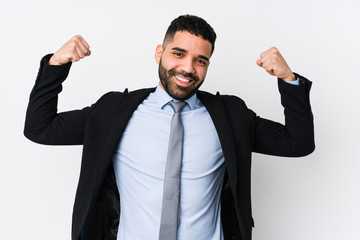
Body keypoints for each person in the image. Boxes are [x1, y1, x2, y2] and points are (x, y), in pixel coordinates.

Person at [24, 15, 315, 240]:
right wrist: (56, 64)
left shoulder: (231, 116)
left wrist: (288, 80)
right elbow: (40, 128)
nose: (188, 68)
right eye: (178, 53)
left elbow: (298, 143)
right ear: (159, 53)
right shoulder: (114, 112)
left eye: (200, 60)